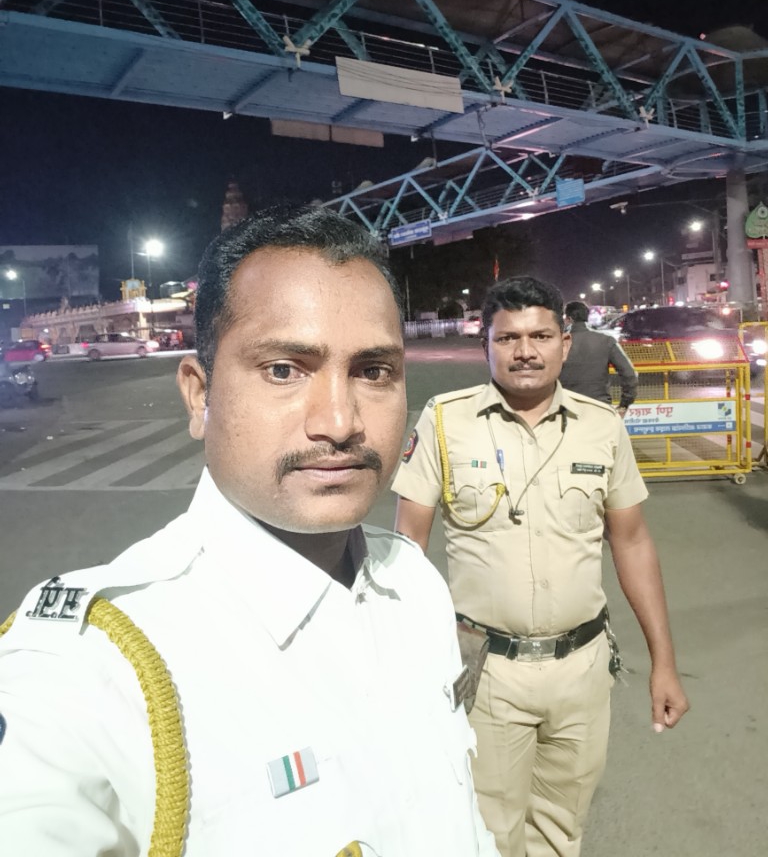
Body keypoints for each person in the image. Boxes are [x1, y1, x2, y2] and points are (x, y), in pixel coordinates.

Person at [0, 206, 498, 857]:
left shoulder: (413, 582)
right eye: (284, 369)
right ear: (198, 394)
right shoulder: (99, 664)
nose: (340, 421)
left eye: (372, 371)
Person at [392, 275, 689, 857]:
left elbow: (632, 543)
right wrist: (403, 669)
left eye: (540, 336)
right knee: (489, 834)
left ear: (565, 342)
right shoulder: (445, 422)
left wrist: (665, 663)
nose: (525, 351)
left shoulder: (602, 427)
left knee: (560, 831)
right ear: (485, 343)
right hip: (487, 671)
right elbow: (408, 550)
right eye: (508, 338)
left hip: (582, 670)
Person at [560, 300, 638, 416]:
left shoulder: (558, 343)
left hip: (567, 410)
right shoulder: (606, 340)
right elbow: (629, 374)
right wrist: (624, 404)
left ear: (568, 319)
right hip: (600, 409)